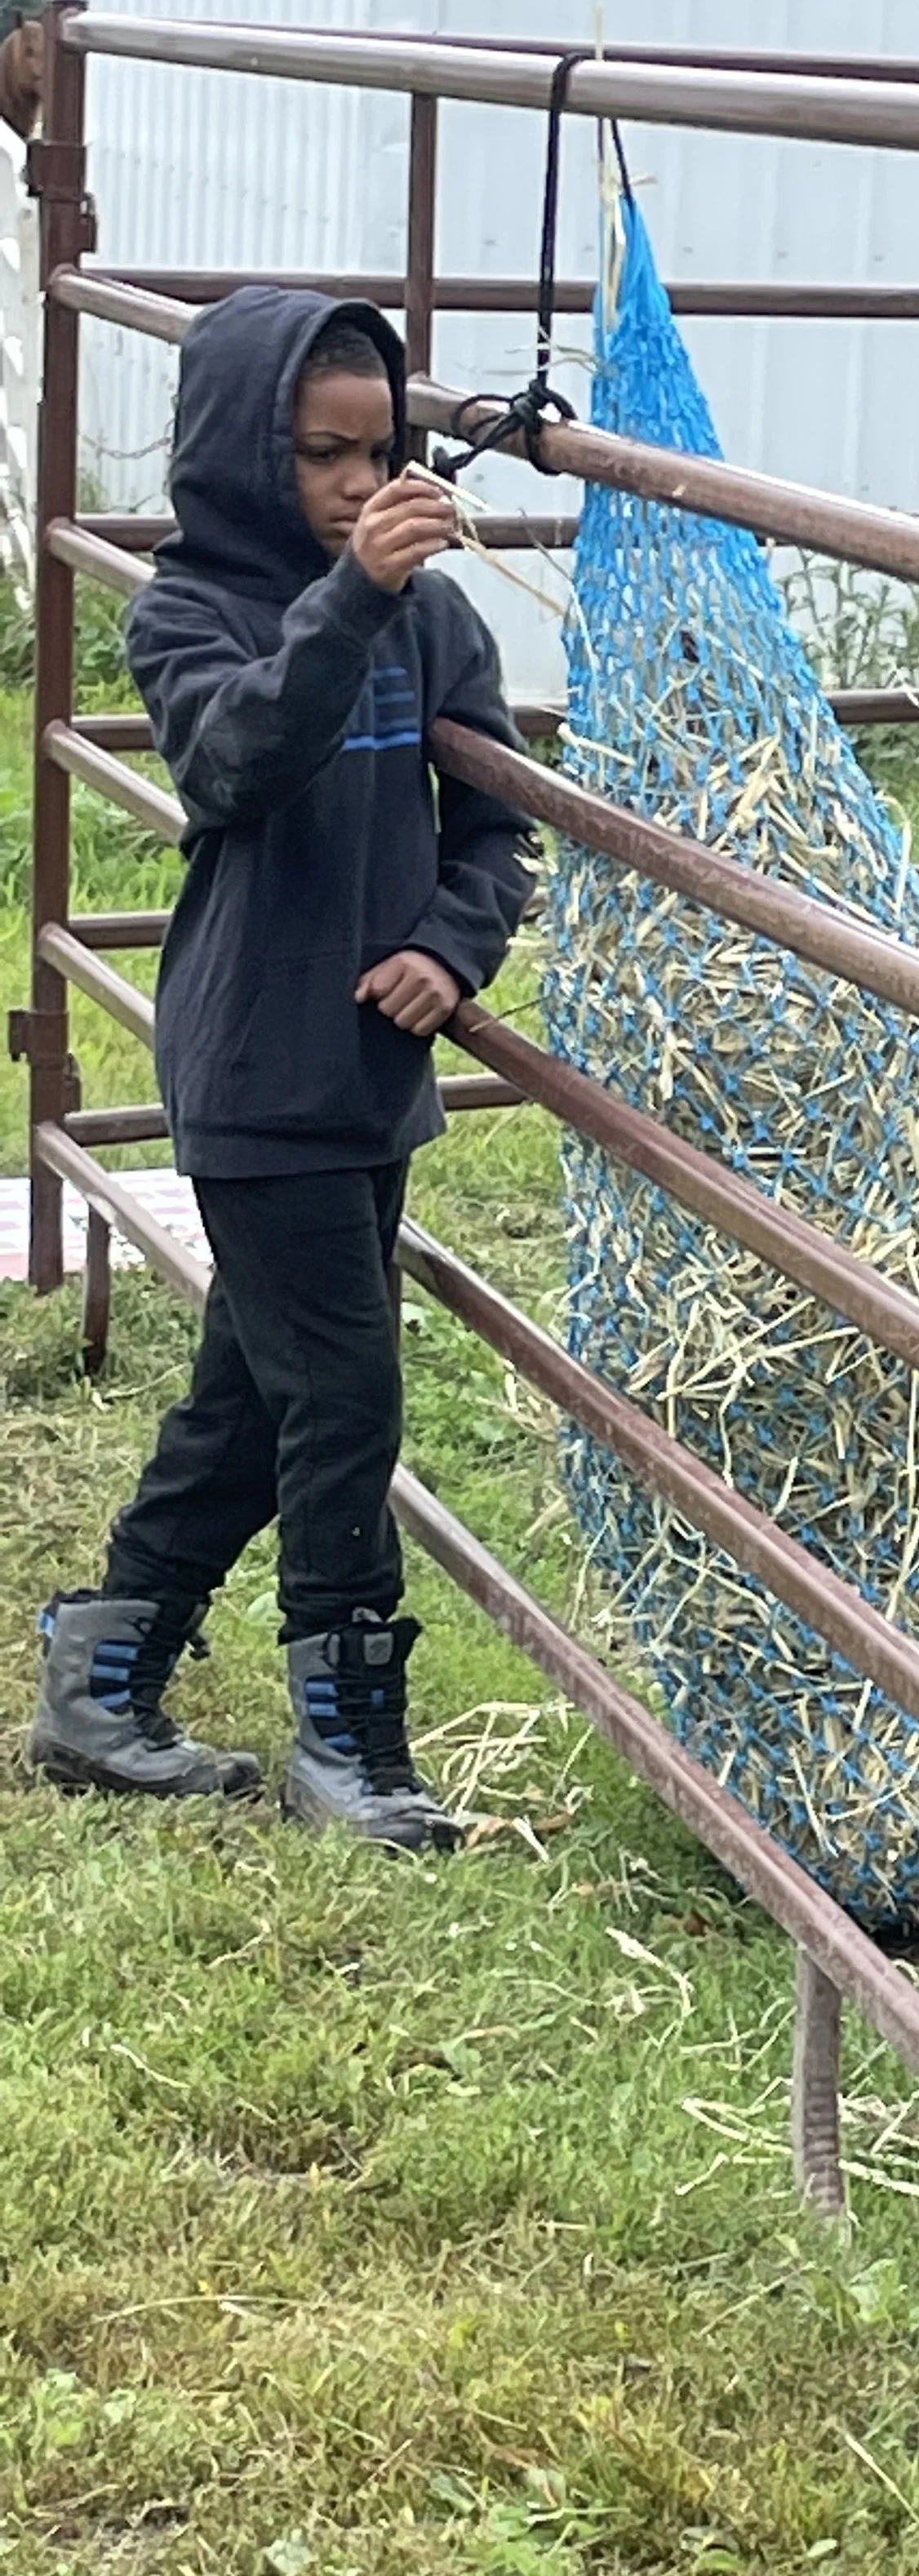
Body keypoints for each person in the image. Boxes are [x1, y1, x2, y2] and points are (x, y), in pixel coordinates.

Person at [31, 288, 535, 1851]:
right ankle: (349, 1742)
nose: (358, 485)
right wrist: (351, 604)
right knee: (347, 1399)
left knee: (256, 1393)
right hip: (256, 1065)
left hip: (373, 1065)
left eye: (382, 452)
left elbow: (503, 825)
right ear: (252, 453)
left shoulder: (442, 620)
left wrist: (456, 945)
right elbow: (235, 761)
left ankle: (101, 1675)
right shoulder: (193, 614)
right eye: (326, 455)